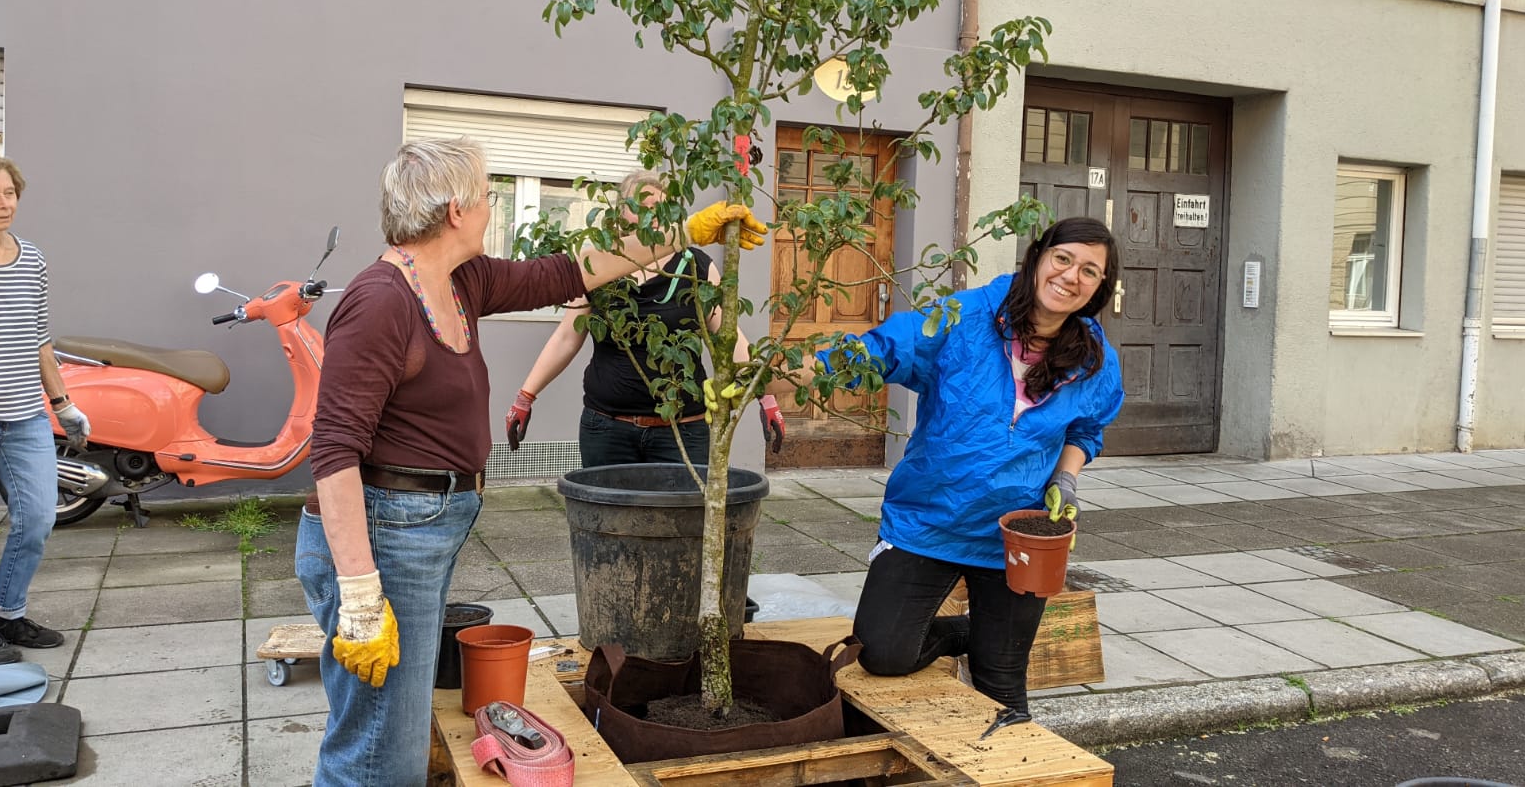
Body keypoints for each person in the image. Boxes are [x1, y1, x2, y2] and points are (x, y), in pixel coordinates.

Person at [295, 138, 766, 787]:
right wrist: (359, 597)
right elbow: (333, 449)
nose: (493, 208)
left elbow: (569, 273)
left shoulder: (462, 280)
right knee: (378, 753)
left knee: (395, 741)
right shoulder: (383, 301)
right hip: (380, 538)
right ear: (456, 210)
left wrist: (681, 233)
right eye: (488, 195)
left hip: (418, 531)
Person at [821, 216, 1123, 732]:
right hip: (930, 519)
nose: (1072, 276)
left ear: (1099, 289)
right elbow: (883, 349)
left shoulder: (1094, 359)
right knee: (883, 653)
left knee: (1002, 688)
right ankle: (971, 630)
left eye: (1090, 271)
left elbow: (1086, 429)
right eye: (1064, 259)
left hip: (1017, 533)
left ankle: (1002, 699)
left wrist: (1065, 479)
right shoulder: (964, 317)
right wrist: (777, 378)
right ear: (1037, 259)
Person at [505, 170, 784, 466]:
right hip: (607, 429)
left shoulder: (696, 267)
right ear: (621, 212)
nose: (651, 215)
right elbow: (566, 337)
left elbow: (728, 336)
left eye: (659, 207)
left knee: (682, 511)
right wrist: (525, 397)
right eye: (640, 207)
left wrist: (765, 396)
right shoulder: (600, 266)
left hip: (682, 430)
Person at [0, 152, 89, 665]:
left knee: (37, 517)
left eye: (10, 192)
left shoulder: (30, 258)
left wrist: (64, 405)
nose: (4, 203)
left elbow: (39, 339)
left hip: (26, 415)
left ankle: (6, 613)